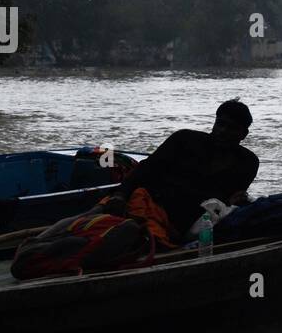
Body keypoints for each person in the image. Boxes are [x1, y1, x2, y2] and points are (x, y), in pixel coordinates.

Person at [100, 99, 259, 249]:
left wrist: (234, 201)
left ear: (243, 134)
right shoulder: (184, 139)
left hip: (188, 224)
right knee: (101, 217)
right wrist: (120, 195)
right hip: (151, 203)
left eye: (231, 128)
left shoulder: (248, 162)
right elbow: (145, 170)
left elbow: (227, 203)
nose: (222, 131)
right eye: (220, 124)